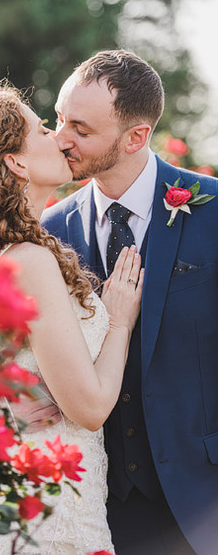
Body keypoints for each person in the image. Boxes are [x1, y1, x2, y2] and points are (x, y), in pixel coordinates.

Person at [0, 84, 142, 554]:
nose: (62, 139)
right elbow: (88, 409)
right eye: (45, 129)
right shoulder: (27, 260)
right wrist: (119, 322)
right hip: (54, 515)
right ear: (17, 162)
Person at [41, 49, 218, 555]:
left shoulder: (214, 212)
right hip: (105, 503)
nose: (61, 139)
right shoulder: (50, 233)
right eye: (58, 119)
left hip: (205, 497)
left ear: (136, 137)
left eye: (81, 128)